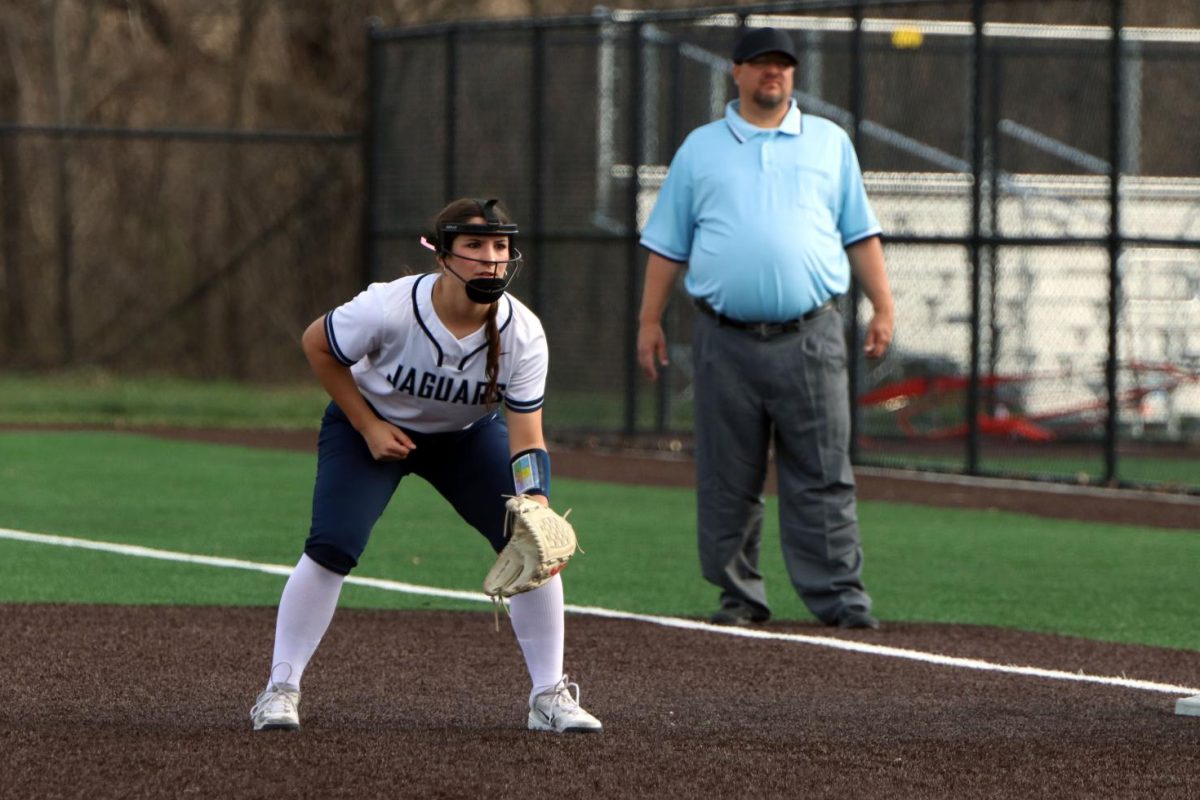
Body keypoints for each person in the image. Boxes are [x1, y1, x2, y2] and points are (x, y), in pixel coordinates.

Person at [250, 197, 602, 734]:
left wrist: (537, 501)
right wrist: (368, 425)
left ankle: (548, 694)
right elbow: (317, 345)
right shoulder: (388, 306)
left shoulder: (523, 332)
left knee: (531, 544)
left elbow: (526, 433)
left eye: (501, 247)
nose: (491, 259)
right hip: (368, 428)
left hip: (465, 437)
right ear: (442, 255)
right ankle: (280, 689)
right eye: (475, 246)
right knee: (333, 545)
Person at [636, 27, 895, 630]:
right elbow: (668, 244)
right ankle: (739, 598)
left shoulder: (829, 143)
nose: (771, 74)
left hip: (812, 336)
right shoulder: (701, 149)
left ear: (793, 74)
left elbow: (860, 232)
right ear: (737, 72)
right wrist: (649, 320)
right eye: (759, 64)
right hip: (723, 339)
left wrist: (882, 307)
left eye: (781, 64)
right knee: (728, 477)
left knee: (824, 474)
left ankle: (840, 601)